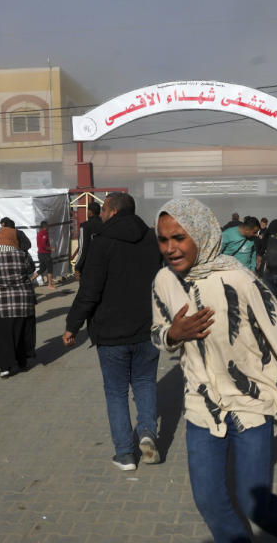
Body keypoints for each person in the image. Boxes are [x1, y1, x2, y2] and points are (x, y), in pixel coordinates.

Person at [151, 198, 277, 543]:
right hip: (202, 405)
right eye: (163, 239)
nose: (170, 248)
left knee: (252, 503)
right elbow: (157, 331)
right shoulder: (163, 281)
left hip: (252, 404)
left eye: (179, 238)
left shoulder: (238, 278)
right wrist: (174, 334)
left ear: (200, 234)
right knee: (209, 500)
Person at [62, 192, 163, 471]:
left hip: (111, 333)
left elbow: (89, 291)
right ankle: (146, 433)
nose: (102, 215)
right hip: (148, 329)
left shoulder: (102, 243)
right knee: (145, 383)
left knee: (116, 392)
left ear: (111, 210)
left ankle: (125, 454)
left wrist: (72, 325)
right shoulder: (153, 240)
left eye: (104, 211)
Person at [0, 226, 37, 377]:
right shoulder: (23, 255)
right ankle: (22, 362)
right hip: (21, 303)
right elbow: (30, 271)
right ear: (14, 239)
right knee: (21, 333)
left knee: (1, 337)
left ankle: (4, 368)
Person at [74, 200, 104, 279]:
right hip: (103, 264)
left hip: (89, 265)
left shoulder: (85, 226)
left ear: (90, 212)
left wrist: (77, 266)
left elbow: (82, 248)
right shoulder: (105, 225)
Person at [35, 220, 56, 289]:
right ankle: (49, 285)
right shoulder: (44, 233)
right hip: (45, 254)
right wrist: (51, 249)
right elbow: (43, 246)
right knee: (50, 268)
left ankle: (30, 280)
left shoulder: (39, 233)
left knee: (42, 269)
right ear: (45, 226)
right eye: (47, 225)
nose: (49, 227)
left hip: (40, 253)